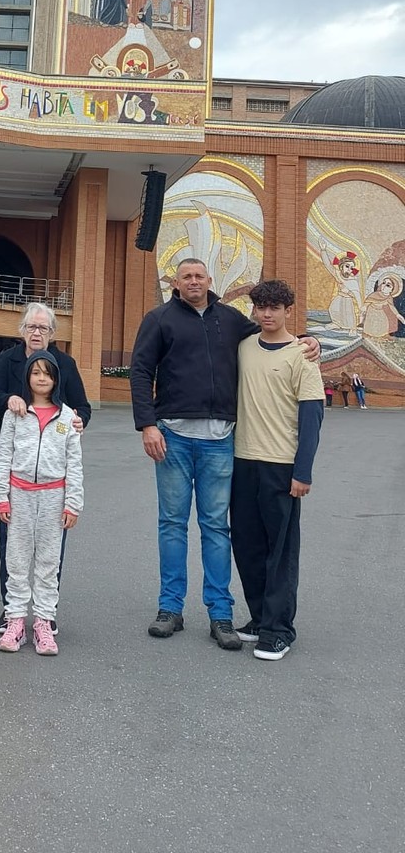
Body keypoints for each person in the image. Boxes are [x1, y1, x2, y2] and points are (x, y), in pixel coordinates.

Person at [130, 259, 266, 650]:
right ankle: (170, 608)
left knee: (215, 527)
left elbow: (271, 336)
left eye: (199, 276)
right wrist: (148, 425)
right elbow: (140, 371)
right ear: (176, 282)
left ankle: (220, 613)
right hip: (172, 437)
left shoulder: (231, 320)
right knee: (172, 524)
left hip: (219, 439)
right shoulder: (159, 319)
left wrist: (307, 340)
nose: (193, 281)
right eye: (186, 276)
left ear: (210, 281)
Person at [231, 280, 325, 661]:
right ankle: (259, 618)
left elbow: (312, 419)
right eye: (261, 307)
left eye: (275, 308)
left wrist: (303, 472)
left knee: (280, 550)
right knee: (248, 546)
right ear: (254, 310)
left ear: (289, 311)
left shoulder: (303, 355)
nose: (267, 314)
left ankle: (279, 630)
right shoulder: (243, 348)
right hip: (242, 461)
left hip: (282, 465)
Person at [0, 302, 91, 635]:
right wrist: (8, 401)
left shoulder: (66, 364)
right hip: (17, 461)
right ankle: (11, 609)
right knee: (11, 545)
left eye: (43, 328)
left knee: (50, 547)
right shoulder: (7, 360)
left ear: (52, 334)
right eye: (31, 327)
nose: (36, 333)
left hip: (53, 469)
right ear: (22, 330)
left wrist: (78, 421)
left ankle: (46, 612)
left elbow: (83, 406)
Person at [0, 351, 83, 656]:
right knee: (16, 560)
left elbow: (75, 463)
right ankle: (15, 620)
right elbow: (4, 455)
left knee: (48, 562)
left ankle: (44, 621)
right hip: (19, 495)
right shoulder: (15, 413)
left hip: (53, 496)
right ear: (27, 377)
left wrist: (73, 503)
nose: (42, 378)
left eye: (48, 373)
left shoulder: (68, 417)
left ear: (56, 379)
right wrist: (0, 496)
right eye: (36, 373)